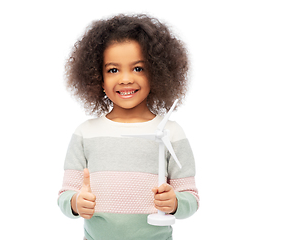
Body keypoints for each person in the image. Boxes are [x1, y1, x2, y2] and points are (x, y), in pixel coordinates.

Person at [58, 14, 199, 240]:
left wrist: (175, 203)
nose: (125, 79)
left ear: (157, 73)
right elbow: (66, 194)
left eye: (138, 69)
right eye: (113, 70)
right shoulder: (85, 133)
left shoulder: (171, 133)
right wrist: (75, 202)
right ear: (98, 78)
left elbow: (190, 197)